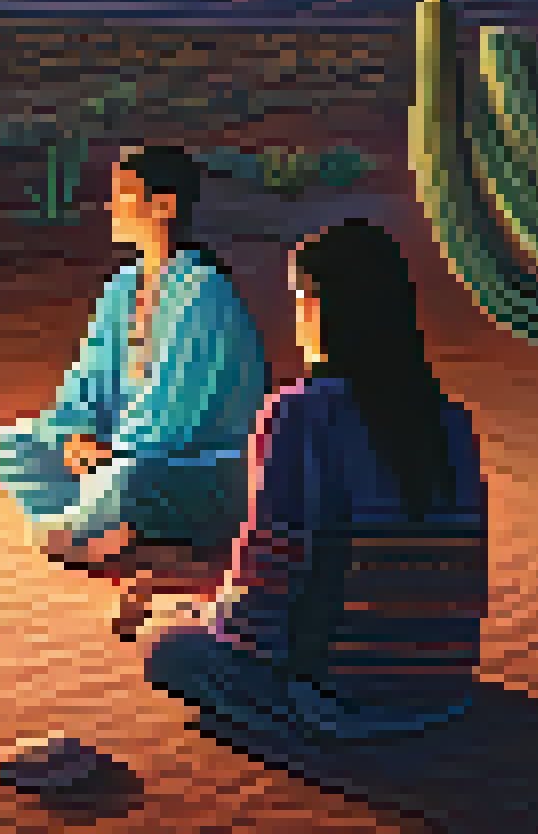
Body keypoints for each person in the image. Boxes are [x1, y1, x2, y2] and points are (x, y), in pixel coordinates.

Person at [145, 218, 487, 745]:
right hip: (443, 685)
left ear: (324, 308)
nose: (297, 318)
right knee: (188, 616)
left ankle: (289, 724)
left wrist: (195, 622)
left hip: (337, 690)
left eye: (301, 297)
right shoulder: (450, 419)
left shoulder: (299, 415)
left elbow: (268, 584)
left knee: (164, 645)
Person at [0, 145, 269, 564]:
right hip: (114, 454)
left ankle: (95, 526)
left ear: (164, 206)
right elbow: (88, 378)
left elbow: (182, 411)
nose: (111, 205)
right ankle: (106, 526)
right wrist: (75, 432)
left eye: (123, 193)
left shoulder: (203, 289)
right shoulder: (122, 287)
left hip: (188, 465)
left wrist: (112, 451)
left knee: (128, 478)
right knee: (9, 449)